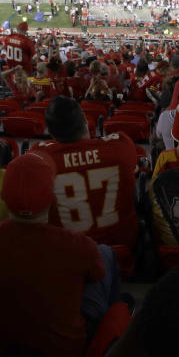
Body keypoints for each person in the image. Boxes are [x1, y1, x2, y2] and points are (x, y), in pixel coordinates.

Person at [0, 152, 119, 357]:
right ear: (52, 197)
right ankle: (112, 335)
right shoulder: (79, 245)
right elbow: (98, 276)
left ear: (3, 195)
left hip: (1, 353)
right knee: (105, 253)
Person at [34, 96, 141, 248]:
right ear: (85, 119)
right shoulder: (121, 146)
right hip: (122, 248)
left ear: (50, 133)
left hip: (68, 252)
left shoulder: (39, 157)